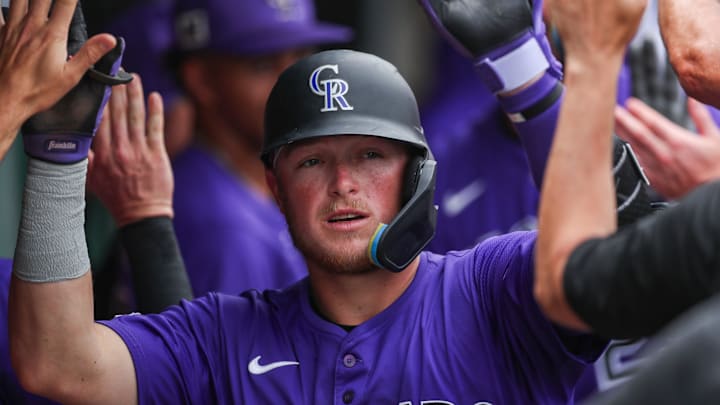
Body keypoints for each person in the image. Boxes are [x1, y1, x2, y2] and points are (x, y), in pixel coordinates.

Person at [9, 0, 618, 403]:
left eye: (371, 156)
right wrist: (59, 154)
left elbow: (614, 261)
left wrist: (526, 73)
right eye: (311, 161)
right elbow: (58, 363)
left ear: (418, 173)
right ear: (275, 185)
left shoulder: (490, 289)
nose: (343, 183)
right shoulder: (221, 337)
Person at [168, 0, 352, 296]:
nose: (294, 84)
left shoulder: (252, 182)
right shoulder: (221, 229)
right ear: (201, 79)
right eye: (263, 65)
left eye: (302, 56)